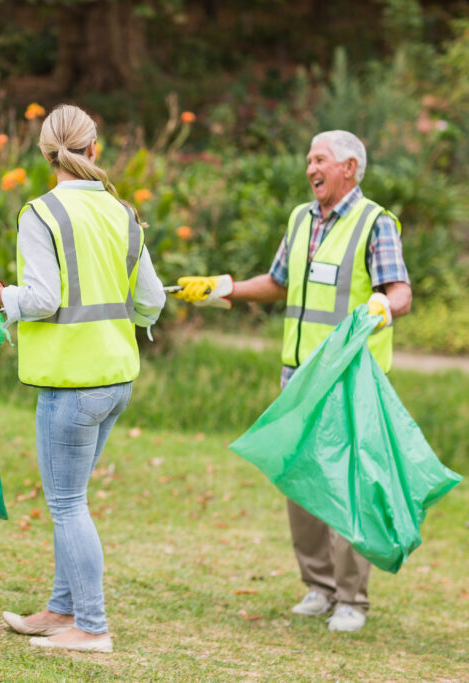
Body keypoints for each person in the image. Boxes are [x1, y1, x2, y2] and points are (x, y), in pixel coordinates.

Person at [172, 129, 412, 632]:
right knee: (301, 484)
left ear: (349, 167)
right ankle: (319, 587)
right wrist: (223, 289)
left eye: (319, 159)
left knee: (348, 486)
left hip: (349, 378)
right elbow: (279, 283)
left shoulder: (375, 224)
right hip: (297, 378)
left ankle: (351, 599)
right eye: (308, 159)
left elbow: (401, 293)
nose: (310, 168)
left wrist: (383, 307)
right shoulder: (301, 220)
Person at [0, 104, 166, 653]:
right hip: (115, 378)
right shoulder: (122, 213)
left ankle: (91, 627)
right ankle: (60, 609)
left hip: (72, 383)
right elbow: (151, 300)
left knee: (67, 504)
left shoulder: (41, 213)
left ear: (46, 154)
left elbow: (44, 299)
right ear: (94, 149)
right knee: (69, 500)